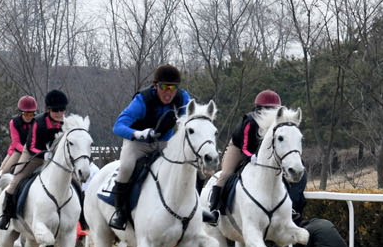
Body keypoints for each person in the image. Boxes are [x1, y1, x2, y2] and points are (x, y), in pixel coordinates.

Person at [107, 64, 193, 230]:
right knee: (126, 167)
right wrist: (139, 134)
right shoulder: (142, 100)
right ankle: (120, 212)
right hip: (138, 142)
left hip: (164, 143)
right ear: (156, 86)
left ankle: (194, 210)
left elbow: (191, 118)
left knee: (189, 164)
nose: (168, 92)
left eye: (172, 87)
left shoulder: (182, 98)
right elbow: (118, 126)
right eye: (164, 87)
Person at [0, 90, 69, 229]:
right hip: (32, 155)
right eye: (55, 110)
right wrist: (44, 154)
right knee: (15, 181)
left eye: (62, 110)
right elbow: (31, 146)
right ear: (48, 110)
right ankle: (5, 216)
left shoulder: (65, 123)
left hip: (54, 159)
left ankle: (81, 219)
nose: (59, 113)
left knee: (75, 181)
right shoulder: (38, 122)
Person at [208, 90, 282, 220]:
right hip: (239, 147)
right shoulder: (250, 120)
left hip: (261, 151)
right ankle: (214, 210)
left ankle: (288, 208)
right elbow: (245, 146)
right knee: (226, 174)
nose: (271, 113)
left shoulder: (278, 124)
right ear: (259, 109)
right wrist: (251, 157)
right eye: (268, 109)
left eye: (274, 109)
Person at [0, 96, 39, 181]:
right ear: (21, 112)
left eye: (31, 114)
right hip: (17, 150)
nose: (29, 116)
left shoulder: (37, 121)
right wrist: (27, 151)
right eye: (26, 114)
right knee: (3, 171)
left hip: (34, 151)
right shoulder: (14, 122)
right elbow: (16, 143)